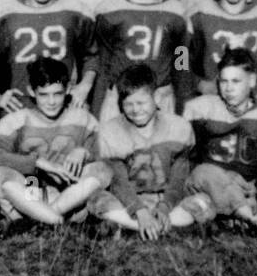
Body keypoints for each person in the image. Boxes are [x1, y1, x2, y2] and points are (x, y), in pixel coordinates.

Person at [0, 57, 113, 226]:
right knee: (1, 173)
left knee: (102, 169)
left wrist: (84, 152)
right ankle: (49, 219)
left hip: (69, 196)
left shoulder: (81, 118)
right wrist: (36, 162)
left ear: (68, 89)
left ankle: (46, 219)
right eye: (43, 95)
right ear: (31, 91)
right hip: (31, 192)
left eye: (57, 94)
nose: (51, 102)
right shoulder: (18, 119)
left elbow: (107, 154)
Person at [88, 65, 208, 238]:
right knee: (97, 199)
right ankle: (152, 227)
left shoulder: (178, 126)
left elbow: (178, 178)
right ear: (120, 103)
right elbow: (119, 181)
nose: (135, 110)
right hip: (129, 200)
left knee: (204, 201)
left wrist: (165, 206)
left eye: (141, 103)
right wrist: (140, 211)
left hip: (167, 199)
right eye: (128, 104)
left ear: (156, 97)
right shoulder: (111, 130)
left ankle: (140, 227)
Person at [181, 48, 257, 234]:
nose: (228, 88)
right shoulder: (200, 108)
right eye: (223, 81)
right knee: (204, 172)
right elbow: (188, 158)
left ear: (252, 81)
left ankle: (232, 216)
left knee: (201, 206)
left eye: (236, 81)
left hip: (246, 188)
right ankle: (252, 218)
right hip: (207, 182)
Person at [90, 0, 190, 121]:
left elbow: (181, 67)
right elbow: (103, 67)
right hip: (119, 98)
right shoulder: (109, 10)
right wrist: (96, 115)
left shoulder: (177, 13)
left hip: (160, 97)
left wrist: (181, 111)